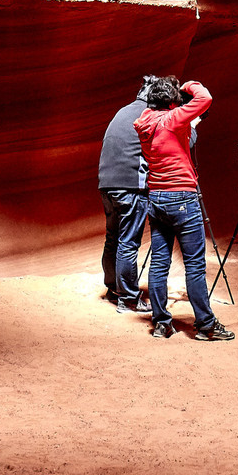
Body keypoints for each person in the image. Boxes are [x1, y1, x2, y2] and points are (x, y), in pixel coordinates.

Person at [133, 76, 234, 341]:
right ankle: (206, 325)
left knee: (159, 264)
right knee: (195, 266)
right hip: (182, 199)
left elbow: (173, 130)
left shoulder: (145, 122)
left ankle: (161, 323)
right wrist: (188, 84)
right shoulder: (171, 120)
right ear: (171, 103)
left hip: (156, 198)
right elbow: (205, 98)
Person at [97, 82, 151, 312]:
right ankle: (128, 299)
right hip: (129, 186)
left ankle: (113, 288)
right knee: (128, 241)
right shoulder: (149, 114)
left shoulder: (124, 110)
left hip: (106, 184)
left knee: (114, 238)